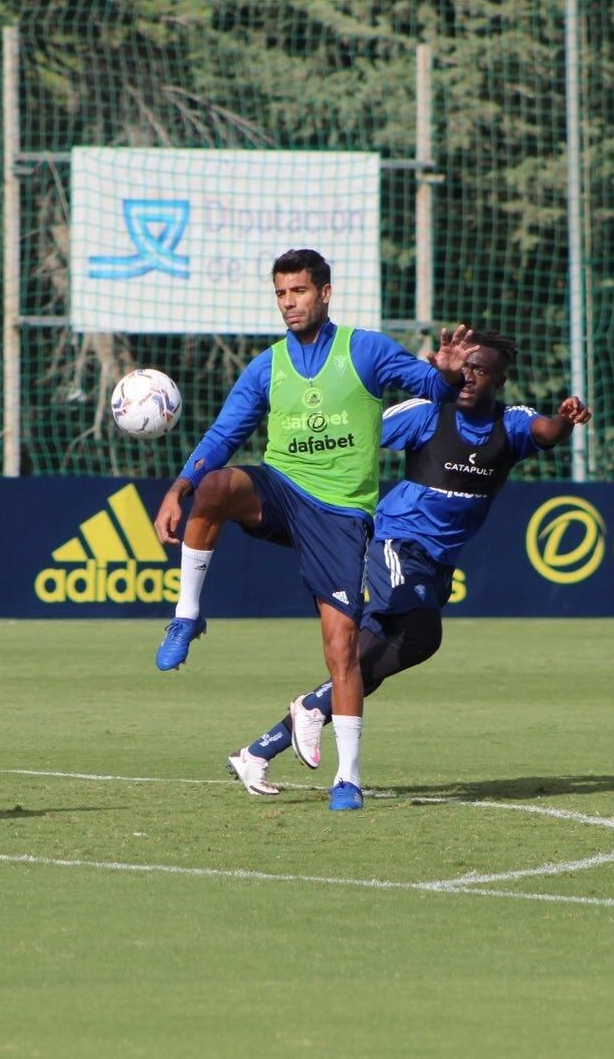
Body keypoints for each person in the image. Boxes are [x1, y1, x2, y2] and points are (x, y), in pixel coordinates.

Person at [152, 247, 466, 811]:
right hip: (281, 489)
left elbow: (435, 390)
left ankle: (347, 778)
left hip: (341, 515)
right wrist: (178, 488)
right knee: (216, 486)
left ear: (324, 292)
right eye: (280, 293)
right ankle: (186, 616)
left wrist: (445, 373)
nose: (288, 303)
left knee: (342, 648)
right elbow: (224, 434)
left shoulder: (364, 350)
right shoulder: (267, 364)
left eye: (297, 291)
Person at [223, 332, 591, 799]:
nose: (469, 375)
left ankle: (262, 747)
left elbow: (547, 433)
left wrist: (565, 420)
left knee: (378, 661)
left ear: (500, 379)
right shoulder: (426, 412)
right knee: (421, 629)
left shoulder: (510, 424)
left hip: (438, 562)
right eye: (466, 366)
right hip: (398, 540)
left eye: (481, 369)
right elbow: (359, 430)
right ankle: (315, 715)